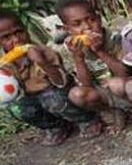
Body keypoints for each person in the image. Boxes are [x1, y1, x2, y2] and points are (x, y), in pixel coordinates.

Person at [0, 8, 99, 144]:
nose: (16, 40)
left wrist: (42, 62)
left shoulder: (45, 52)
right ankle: (57, 127)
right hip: (34, 97)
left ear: (25, 30)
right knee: (17, 109)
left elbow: (60, 82)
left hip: (59, 92)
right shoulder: (5, 65)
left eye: (19, 32)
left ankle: (86, 119)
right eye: (6, 37)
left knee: (51, 99)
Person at [55, 0, 131, 131]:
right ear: (67, 30)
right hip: (101, 93)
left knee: (116, 83)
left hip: (124, 86)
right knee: (76, 94)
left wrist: (100, 51)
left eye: (91, 19)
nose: (87, 27)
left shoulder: (114, 37)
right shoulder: (70, 49)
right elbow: (86, 84)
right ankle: (114, 111)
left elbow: (124, 72)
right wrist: (78, 58)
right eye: (77, 24)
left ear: (99, 19)